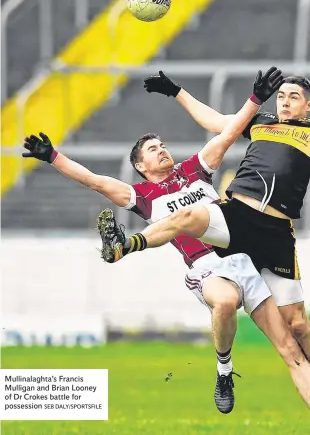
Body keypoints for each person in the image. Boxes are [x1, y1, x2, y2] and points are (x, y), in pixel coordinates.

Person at [22, 68, 310, 411]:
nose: (161, 150)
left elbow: (227, 130)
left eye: (162, 145)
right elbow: (95, 181)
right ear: (140, 166)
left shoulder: (195, 168)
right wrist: (54, 157)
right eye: (152, 149)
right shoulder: (141, 195)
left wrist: (247, 99)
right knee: (223, 297)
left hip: (244, 253)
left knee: (294, 342)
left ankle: (127, 247)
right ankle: (222, 367)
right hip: (208, 264)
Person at [107, 71, 310, 362]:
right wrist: (176, 91)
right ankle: (129, 244)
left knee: (299, 324)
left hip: (277, 227)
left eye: (294, 97)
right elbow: (213, 120)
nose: (285, 102)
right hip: (240, 216)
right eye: (281, 96)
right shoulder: (260, 121)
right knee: (187, 217)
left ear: (308, 106)